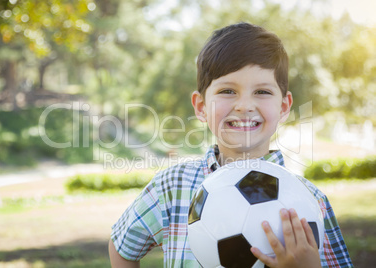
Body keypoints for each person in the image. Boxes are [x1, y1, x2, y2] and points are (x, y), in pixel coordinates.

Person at [109, 22, 353, 267]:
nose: (244, 105)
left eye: (262, 92)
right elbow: (121, 246)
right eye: (227, 90)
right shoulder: (171, 186)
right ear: (201, 106)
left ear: (283, 107)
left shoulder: (309, 200)